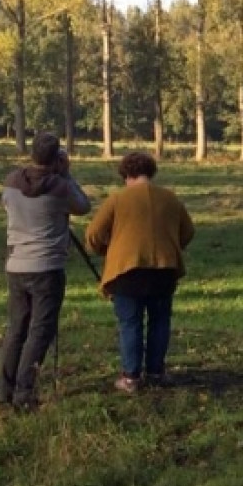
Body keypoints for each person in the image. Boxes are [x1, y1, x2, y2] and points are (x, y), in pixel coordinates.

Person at [85, 152, 195, 393]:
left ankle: (131, 377)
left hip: (127, 271)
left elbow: (93, 234)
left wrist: (107, 251)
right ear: (151, 172)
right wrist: (171, 246)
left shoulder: (117, 199)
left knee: (130, 323)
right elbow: (188, 231)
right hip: (164, 269)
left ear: (126, 175)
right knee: (160, 321)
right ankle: (156, 372)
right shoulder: (170, 198)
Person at [0, 132, 91, 410]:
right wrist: (67, 175)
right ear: (55, 158)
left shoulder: (11, 182)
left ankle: (4, 389)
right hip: (47, 267)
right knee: (40, 331)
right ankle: (25, 392)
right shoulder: (60, 187)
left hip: (16, 265)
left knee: (17, 329)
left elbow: (7, 205)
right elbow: (83, 207)